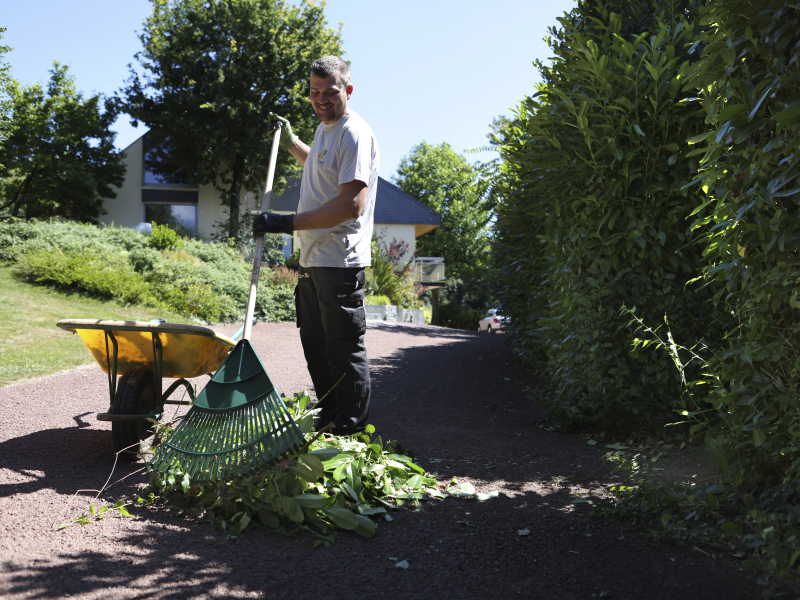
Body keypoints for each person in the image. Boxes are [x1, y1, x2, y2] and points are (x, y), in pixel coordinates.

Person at [253, 56, 379, 434]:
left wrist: (285, 223)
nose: (321, 99)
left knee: (342, 347)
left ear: (348, 90)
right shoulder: (327, 129)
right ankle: (329, 417)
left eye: (330, 92)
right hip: (313, 258)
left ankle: (352, 428)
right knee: (316, 345)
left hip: (338, 260)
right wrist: (293, 143)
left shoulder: (354, 133)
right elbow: (321, 167)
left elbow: (349, 205)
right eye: (314, 92)